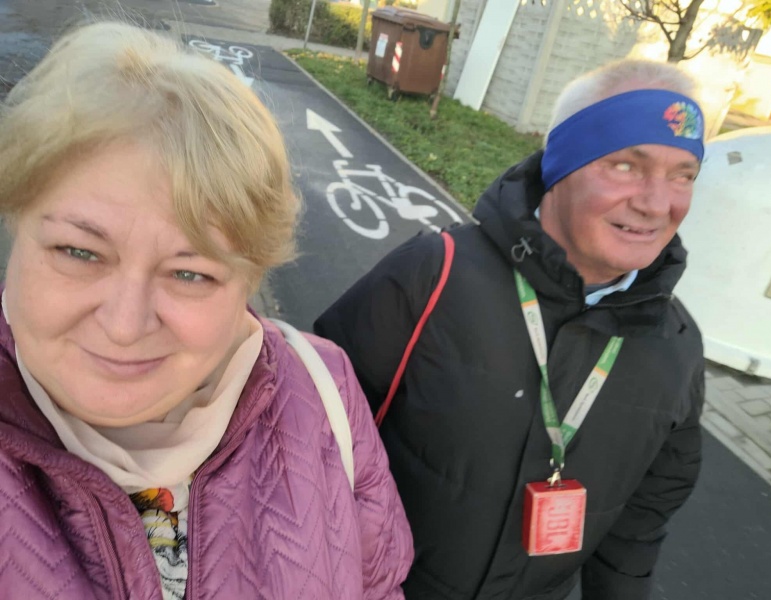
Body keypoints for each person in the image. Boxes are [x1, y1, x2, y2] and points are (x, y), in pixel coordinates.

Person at [0, 21, 412, 599]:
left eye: (190, 273)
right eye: (79, 252)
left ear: (249, 282)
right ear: (16, 228)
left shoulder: (325, 391)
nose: (124, 325)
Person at [315, 59, 706, 600]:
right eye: (625, 165)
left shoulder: (677, 346)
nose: (657, 203)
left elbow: (637, 530)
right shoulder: (433, 276)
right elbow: (303, 441)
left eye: (683, 174)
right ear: (562, 165)